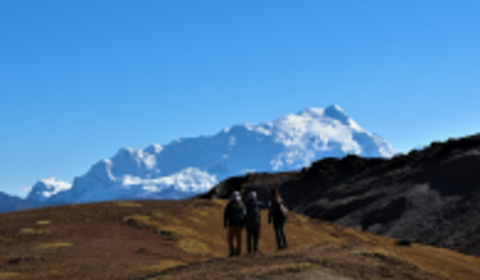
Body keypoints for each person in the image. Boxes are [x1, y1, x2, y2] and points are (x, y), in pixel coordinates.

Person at [224, 191, 246, 257]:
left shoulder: (229, 204)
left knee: (230, 238)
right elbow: (245, 213)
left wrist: (225, 222)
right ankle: (238, 252)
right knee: (239, 238)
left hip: (232, 224)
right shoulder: (242, 204)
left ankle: (232, 251)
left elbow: (226, 214)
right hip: (240, 224)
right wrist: (244, 223)